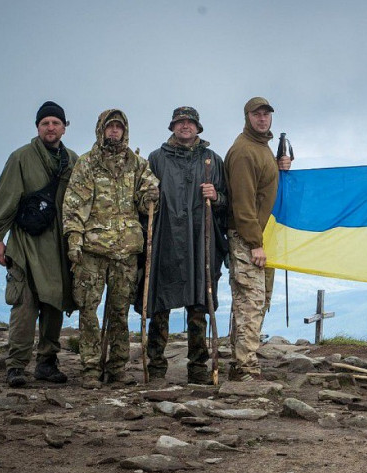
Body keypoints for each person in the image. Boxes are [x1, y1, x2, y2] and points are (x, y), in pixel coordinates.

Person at [62, 109, 159, 389]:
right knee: (89, 310)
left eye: (118, 127)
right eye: (110, 127)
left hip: (126, 250)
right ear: (101, 130)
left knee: (119, 311)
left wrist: (151, 195)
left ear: (125, 130)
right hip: (92, 250)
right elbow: (74, 205)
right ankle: (90, 367)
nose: (114, 131)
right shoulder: (87, 164)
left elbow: (146, 204)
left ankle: (117, 367)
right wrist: (74, 241)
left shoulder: (137, 164)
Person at [0, 101, 78, 387]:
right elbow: (5, 198)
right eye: (45, 123)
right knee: (24, 306)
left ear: (64, 127)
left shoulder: (73, 160)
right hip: (26, 244)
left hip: (58, 248)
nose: (50, 127)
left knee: (54, 305)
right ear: (38, 128)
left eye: (55, 122)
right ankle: (15, 366)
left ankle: (47, 363)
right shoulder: (21, 158)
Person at [140, 106, 227, 384]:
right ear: (172, 127)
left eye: (190, 122)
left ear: (198, 127)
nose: (185, 126)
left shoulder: (212, 160)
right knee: (160, 304)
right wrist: (148, 197)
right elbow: (141, 203)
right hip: (166, 240)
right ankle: (155, 367)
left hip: (201, 240)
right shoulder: (156, 159)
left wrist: (217, 195)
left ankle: (198, 367)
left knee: (199, 302)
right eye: (180, 122)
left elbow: (228, 203)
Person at [224, 97, 291, 381]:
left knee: (254, 302)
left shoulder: (261, 148)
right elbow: (243, 203)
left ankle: (240, 361)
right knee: (250, 303)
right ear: (247, 117)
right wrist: (255, 243)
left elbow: (264, 188)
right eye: (257, 114)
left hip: (262, 239)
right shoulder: (243, 152)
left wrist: (280, 167)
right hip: (248, 239)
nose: (262, 119)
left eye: (266, 114)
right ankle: (245, 368)